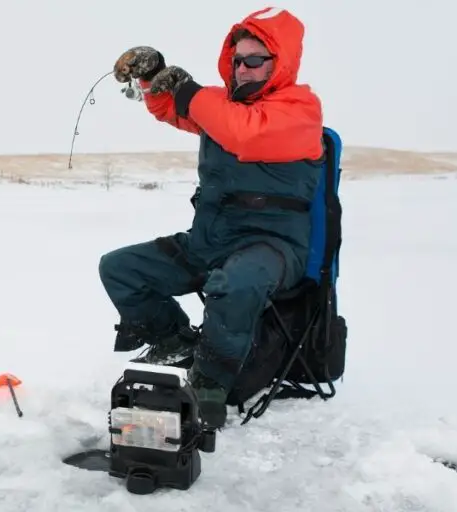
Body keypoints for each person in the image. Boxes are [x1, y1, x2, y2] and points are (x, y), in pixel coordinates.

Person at [100, 6, 325, 429]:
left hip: (272, 247)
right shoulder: (222, 105)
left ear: (281, 63)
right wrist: (154, 78)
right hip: (211, 241)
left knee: (234, 283)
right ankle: (174, 342)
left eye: (255, 60)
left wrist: (189, 91)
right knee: (120, 268)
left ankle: (209, 385)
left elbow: (245, 131)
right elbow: (174, 109)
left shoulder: (300, 110)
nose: (242, 69)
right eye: (238, 59)